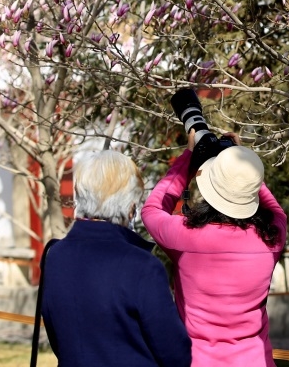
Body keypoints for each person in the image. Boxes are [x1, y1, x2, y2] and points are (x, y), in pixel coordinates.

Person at [142, 132, 287, 367]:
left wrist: (187, 160)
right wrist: (245, 170)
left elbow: (152, 209)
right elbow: (276, 211)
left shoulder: (185, 236)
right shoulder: (272, 238)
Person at [41, 149, 191, 367]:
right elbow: (176, 354)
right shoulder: (142, 267)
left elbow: (58, 339)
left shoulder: (55, 257)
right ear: (131, 209)